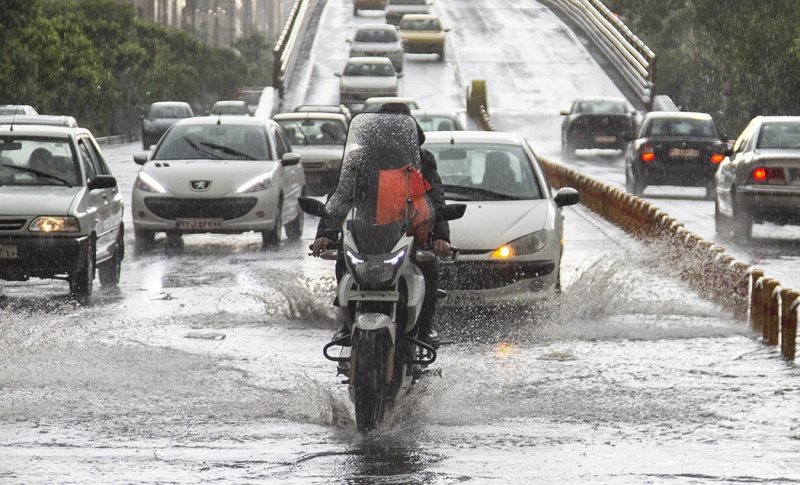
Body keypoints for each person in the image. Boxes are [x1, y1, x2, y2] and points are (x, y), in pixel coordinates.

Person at [311, 103, 450, 347]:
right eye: (386, 129)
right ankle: (347, 323)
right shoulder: (360, 160)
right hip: (367, 233)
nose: (391, 136)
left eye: (398, 130)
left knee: (428, 270)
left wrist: (440, 237)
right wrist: (327, 234)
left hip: (408, 232)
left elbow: (435, 198)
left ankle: (425, 329)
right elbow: (341, 196)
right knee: (345, 261)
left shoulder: (422, 161)